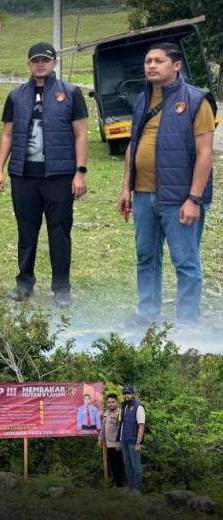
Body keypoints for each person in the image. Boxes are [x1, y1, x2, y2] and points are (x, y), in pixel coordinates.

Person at [118, 42, 215, 328]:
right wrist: (126, 187)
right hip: (143, 195)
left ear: (176, 65)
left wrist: (194, 199)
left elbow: (205, 153)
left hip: (179, 198)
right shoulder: (141, 100)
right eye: (148, 61)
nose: (151, 66)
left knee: (185, 262)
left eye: (158, 61)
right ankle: (147, 312)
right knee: (146, 256)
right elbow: (132, 146)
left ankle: (187, 322)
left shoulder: (197, 100)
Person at [0, 42, 89, 309]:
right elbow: (7, 134)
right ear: (29, 64)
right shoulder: (16, 95)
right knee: (26, 231)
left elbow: (81, 134)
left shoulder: (70, 93)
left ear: (54, 63)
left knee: (59, 231)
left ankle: (61, 287)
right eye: (35, 60)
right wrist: (0, 169)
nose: (40, 64)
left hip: (59, 175)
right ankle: (24, 282)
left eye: (45, 60)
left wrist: (80, 173)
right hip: (24, 176)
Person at [116, 385, 146, 494]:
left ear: (133, 394)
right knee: (127, 464)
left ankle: (136, 489)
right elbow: (122, 425)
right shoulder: (124, 407)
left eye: (128, 393)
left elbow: (141, 426)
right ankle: (129, 486)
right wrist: (119, 440)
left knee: (136, 465)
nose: (126, 395)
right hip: (124, 441)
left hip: (133, 442)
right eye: (124, 393)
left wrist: (138, 442)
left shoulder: (139, 407)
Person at [98, 393, 125, 487]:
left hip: (117, 444)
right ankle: (116, 483)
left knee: (120, 465)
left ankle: (120, 485)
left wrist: (120, 442)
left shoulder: (120, 413)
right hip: (108, 444)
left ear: (117, 402)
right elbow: (103, 427)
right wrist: (100, 439)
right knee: (113, 465)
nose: (111, 404)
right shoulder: (106, 413)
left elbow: (123, 429)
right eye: (109, 402)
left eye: (113, 402)